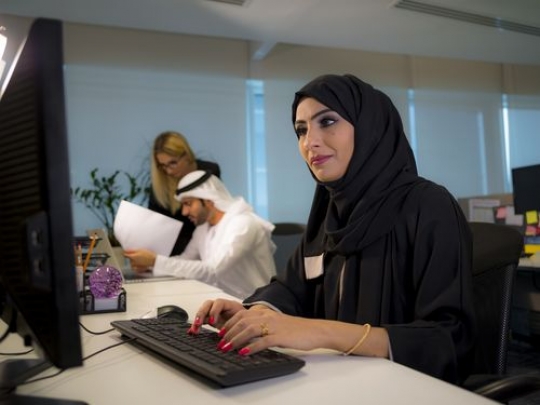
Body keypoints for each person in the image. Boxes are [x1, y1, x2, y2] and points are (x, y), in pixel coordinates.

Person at [189, 74, 477, 385]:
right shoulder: (329, 212)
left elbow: (448, 338)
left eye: (326, 121)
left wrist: (318, 331)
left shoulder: (428, 206)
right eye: (301, 130)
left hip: (406, 389)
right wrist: (253, 314)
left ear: (368, 127)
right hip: (337, 381)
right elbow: (292, 288)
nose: (309, 141)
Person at [124, 170, 276, 299]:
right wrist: (150, 266)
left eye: (188, 204)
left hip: (255, 306)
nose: (184, 212)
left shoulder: (243, 224)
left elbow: (213, 271)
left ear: (209, 200)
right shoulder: (202, 229)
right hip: (219, 302)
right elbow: (185, 261)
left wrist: (155, 261)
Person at [149, 131, 221, 256]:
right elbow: (156, 228)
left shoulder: (208, 173)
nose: (169, 171)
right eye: (163, 166)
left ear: (186, 154)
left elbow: (214, 214)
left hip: (208, 245)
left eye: (173, 163)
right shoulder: (160, 187)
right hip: (173, 249)